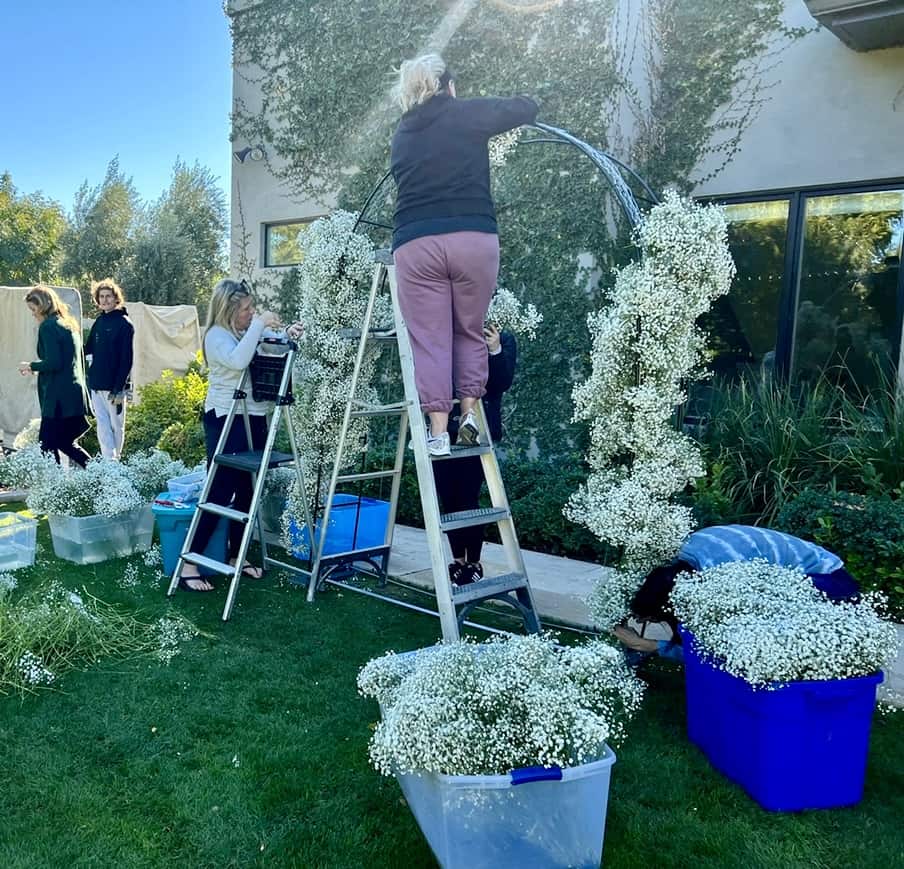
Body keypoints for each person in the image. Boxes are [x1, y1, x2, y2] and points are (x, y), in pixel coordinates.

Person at [390, 53, 537, 457]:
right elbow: (521, 108)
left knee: (430, 340)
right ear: (448, 86)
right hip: (472, 236)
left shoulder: (402, 133)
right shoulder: (464, 113)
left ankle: (438, 431)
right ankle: (469, 413)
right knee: (468, 330)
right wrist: (530, 100)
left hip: (416, 242)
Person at [177, 279, 303, 592]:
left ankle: (237, 556)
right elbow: (238, 360)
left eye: (252, 308)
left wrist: (285, 336)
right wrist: (260, 325)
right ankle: (189, 563)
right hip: (225, 419)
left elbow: (261, 348)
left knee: (249, 489)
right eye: (246, 309)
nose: (251, 313)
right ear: (229, 309)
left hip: (254, 416)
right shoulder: (216, 336)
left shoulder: (241, 332)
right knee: (219, 491)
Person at [613, 524, 861, 662]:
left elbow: (716, 650)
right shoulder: (690, 552)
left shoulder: (723, 580)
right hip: (818, 568)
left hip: (832, 583)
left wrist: (647, 645)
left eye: (658, 617)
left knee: (758, 642)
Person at [433, 325, 516, 586]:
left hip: (477, 431)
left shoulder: (503, 336)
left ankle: (473, 562)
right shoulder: (448, 330)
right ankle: (457, 561)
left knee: (468, 499)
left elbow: (502, 382)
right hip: (444, 428)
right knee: (448, 499)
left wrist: (494, 349)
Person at [19, 286, 92, 468]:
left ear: (43, 306)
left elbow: (54, 362)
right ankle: (102, 474)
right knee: (64, 443)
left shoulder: (48, 327)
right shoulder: (68, 324)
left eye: (33, 309)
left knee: (47, 445)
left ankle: (54, 487)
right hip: (73, 393)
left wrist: (31, 366)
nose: (33, 314)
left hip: (58, 398)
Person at [84, 278, 134, 460]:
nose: (104, 300)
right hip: (97, 385)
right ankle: (108, 463)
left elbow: (126, 360)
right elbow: (88, 349)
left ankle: (115, 462)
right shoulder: (99, 322)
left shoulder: (125, 324)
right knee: (102, 426)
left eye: (108, 296)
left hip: (115, 388)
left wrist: (118, 388)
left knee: (117, 426)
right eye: (101, 297)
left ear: (116, 298)